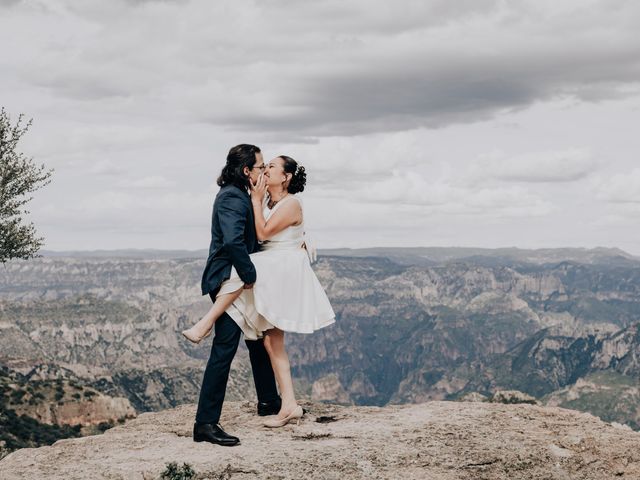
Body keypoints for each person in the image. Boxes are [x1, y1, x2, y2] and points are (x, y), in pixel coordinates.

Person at [183, 154, 335, 429]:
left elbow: (263, 234)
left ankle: (205, 323)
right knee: (269, 341)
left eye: (271, 167)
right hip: (274, 265)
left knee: (246, 272)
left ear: (285, 177)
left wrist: (256, 202)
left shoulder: (288, 203)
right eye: (262, 166)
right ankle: (285, 404)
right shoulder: (267, 200)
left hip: (280, 270)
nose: (265, 170)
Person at [192, 144, 281, 447]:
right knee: (225, 348)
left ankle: (269, 401)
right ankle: (204, 423)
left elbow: (253, 237)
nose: (263, 170)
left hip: (238, 278)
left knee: (258, 336)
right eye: (260, 166)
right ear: (246, 171)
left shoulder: (241, 195)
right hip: (229, 280)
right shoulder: (231, 197)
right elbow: (232, 241)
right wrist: (251, 274)